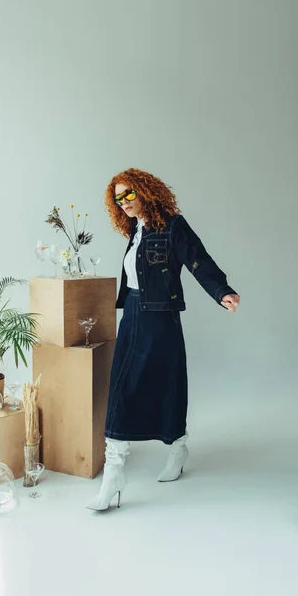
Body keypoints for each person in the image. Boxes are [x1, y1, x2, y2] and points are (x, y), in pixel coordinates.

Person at [85, 168, 240, 511]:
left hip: (161, 318)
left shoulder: (172, 225)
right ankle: (113, 477)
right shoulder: (135, 231)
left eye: (128, 194)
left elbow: (198, 259)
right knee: (122, 388)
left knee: (168, 385)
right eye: (117, 198)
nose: (123, 202)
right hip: (133, 316)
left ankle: (177, 447)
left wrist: (221, 291)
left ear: (145, 191)